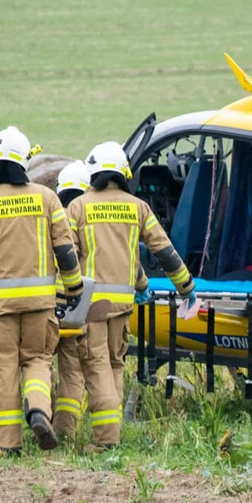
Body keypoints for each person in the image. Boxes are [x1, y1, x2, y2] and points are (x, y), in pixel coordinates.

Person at [0, 127, 83, 457]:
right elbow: (65, 250)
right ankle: (38, 408)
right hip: (40, 304)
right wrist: (74, 287)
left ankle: (9, 445)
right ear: (25, 160)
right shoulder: (46, 197)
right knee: (38, 360)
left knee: (4, 368)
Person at [60, 141, 196, 453]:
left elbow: (66, 254)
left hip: (90, 305)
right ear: (123, 172)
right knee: (114, 366)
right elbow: (162, 250)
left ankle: (106, 441)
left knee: (95, 367)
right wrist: (185, 286)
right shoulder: (137, 207)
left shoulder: (78, 207)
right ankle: (111, 433)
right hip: (122, 306)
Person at [50, 161, 91, 442]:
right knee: (72, 371)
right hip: (78, 307)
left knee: (35, 364)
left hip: (45, 307)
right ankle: (64, 432)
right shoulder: (88, 218)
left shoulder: (50, 217)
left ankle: (35, 414)